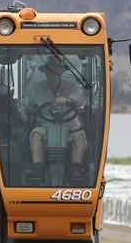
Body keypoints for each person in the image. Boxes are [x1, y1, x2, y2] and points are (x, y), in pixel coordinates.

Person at [18, 56, 87, 185]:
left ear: (61, 72)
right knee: (36, 134)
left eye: (56, 70)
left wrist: (67, 100)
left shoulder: (73, 87)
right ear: (46, 72)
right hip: (45, 126)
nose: (53, 74)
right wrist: (24, 113)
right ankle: (37, 168)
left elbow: (78, 100)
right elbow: (25, 105)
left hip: (71, 126)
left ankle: (76, 168)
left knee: (79, 135)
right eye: (50, 71)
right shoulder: (35, 89)